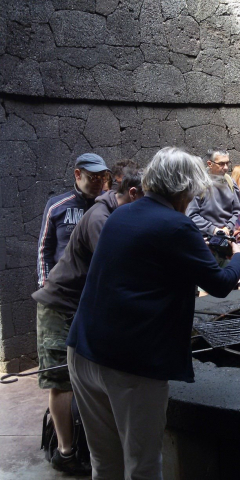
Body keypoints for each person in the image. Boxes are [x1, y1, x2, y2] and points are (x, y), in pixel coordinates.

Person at [66, 147, 240, 479]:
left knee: (105, 464)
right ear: (185, 189)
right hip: (130, 364)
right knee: (143, 466)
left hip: (83, 350)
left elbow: (150, 261)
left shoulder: (122, 213)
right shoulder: (177, 226)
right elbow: (220, 284)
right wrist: (239, 254)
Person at [32, 167, 144, 475]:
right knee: (61, 380)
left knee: (81, 375)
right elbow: (114, 267)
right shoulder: (99, 219)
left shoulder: (109, 209)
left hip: (80, 304)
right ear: (131, 196)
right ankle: (66, 452)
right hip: (58, 305)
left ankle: (81, 445)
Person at [37, 153, 110, 288]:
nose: (98, 183)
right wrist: (45, 285)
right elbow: (45, 249)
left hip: (98, 288)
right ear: (78, 174)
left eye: (102, 177)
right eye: (93, 177)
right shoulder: (56, 206)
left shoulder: (111, 205)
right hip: (64, 288)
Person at [186, 149, 240, 267]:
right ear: (210, 164)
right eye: (221, 164)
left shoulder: (230, 182)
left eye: (227, 163)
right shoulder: (199, 184)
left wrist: (228, 227)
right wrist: (213, 229)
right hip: (205, 244)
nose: (226, 167)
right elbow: (191, 215)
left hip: (226, 242)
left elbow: (237, 211)